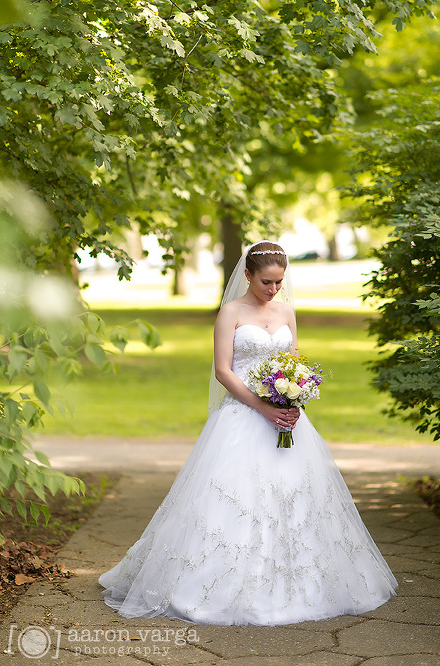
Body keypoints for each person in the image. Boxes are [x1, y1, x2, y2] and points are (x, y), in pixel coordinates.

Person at [98, 240, 397, 626]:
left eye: (279, 282)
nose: (273, 290)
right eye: (266, 282)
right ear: (248, 274)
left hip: (286, 419)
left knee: (298, 495)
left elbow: (293, 363)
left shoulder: (287, 311)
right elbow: (224, 370)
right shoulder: (230, 312)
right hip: (242, 416)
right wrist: (263, 407)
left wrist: (294, 398)